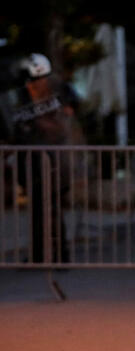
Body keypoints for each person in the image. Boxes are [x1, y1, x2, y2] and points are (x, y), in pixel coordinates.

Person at [0, 53, 82, 263]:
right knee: (37, 208)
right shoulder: (20, 98)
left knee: (53, 207)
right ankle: (39, 254)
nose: (31, 85)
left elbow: (66, 120)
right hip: (32, 161)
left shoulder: (60, 92)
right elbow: (15, 129)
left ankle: (60, 255)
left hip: (55, 160)